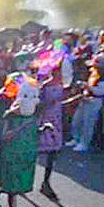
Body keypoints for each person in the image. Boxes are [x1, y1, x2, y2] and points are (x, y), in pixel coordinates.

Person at [0, 74, 43, 207]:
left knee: (11, 180)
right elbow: (4, 136)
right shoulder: (10, 115)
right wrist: (17, 129)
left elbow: (33, 132)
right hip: (11, 154)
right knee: (13, 186)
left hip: (25, 154)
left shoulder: (34, 115)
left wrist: (43, 129)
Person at [67, 56, 104, 153]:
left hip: (95, 102)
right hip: (85, 99)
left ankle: (84, 143)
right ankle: (76, 139)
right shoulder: (93, 74)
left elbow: (100, 92)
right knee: (77, 120)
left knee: (88, 123)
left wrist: (88, 86)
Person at [38, 64, 66, 199]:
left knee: (53, 153)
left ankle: (46, 182)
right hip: (44, 121)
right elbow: (39, 105)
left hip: (57, 122)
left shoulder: (62, 86)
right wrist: (51, 102)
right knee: (35, 152)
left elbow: (62, 104)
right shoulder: (45, 87)